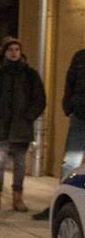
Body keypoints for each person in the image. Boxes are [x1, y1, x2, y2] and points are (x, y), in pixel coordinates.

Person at [0, 36, 46, 212]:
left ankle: (18, 197)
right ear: (4, 53)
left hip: (21, 127)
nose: (14, 53)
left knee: (20, 163)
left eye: (17, 49)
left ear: (21, 52)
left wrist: (29, 116)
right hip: (0, 127)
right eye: (10, 50)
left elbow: (39, 99)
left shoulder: (30, 75)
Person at [34, 48, 85, 220]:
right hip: (80, 117)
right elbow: (70, 82)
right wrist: (69, 106)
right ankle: (62, 204)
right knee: (70, 163)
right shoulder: (79, 56)